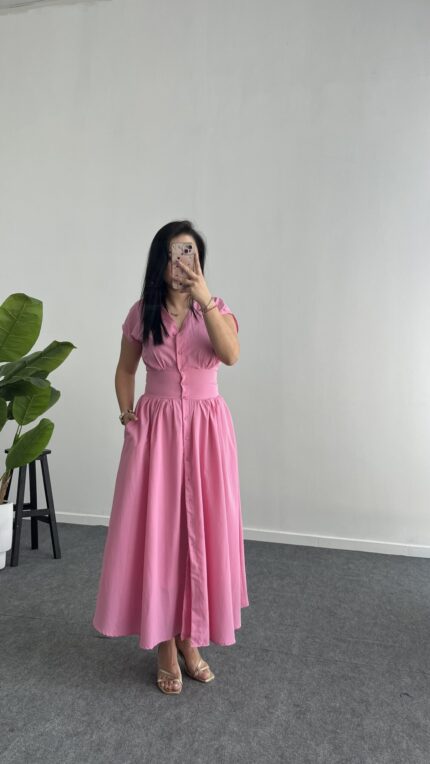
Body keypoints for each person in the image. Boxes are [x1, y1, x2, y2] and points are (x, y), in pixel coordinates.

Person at [92, 220, 249, 695]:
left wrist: (206, 298)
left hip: (206, 434)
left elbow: (231, 355)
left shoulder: (216, 310)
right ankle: (164, 643)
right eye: (175, 254)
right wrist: (127, 415)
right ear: (160, 261)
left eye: (190, 254)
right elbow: (124, 369)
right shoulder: (142, 313)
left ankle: (190, 638)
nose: (182, 264)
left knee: (202, 534)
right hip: (156, 434)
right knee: (160, 535)